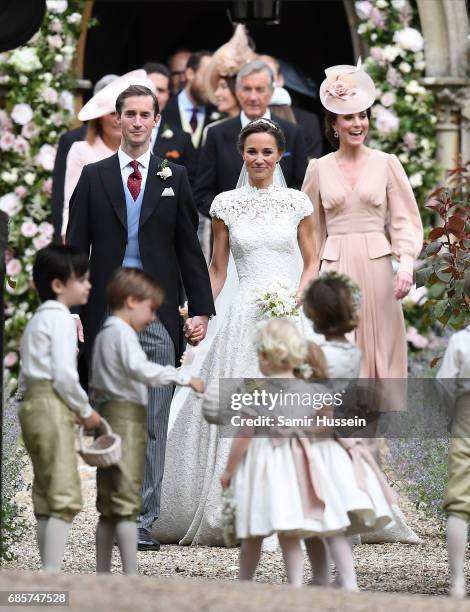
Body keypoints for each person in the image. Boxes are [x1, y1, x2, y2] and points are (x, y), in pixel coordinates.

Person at [152, 118, 315, 545]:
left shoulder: (297, 203)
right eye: (251, 151)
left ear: (280, 156)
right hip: (244, 315)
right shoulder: (225, 204)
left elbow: (313, 260)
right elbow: (218, 268)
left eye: (267, 152)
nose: (259, 159)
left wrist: (296, 299)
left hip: (287, 316)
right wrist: (201, 309)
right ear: (242, 154)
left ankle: (293, 510)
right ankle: (234, 506)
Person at [66, 84, 215, 551]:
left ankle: (142, 519)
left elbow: (189, 249)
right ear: (117, 119)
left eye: (144, 115)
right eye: (127, 114)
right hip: (106, 314)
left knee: (153, 418)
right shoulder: (94, 177)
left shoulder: (177, 176)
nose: (135, 122)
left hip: (158, 313)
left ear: (155, 121)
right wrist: (71, 310)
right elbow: (74, 252)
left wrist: (202, 309)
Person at [302, 62, 423, 379]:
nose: (357, 123)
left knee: (379, 350)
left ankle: (374, 428)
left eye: (362, 115)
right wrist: (308, 277)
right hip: (334, 268)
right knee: (336, 352)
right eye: (348, 117)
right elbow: (310, 232)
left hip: (377, 269)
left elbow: (404, 219)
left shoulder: (387, 164)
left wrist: (407, 263)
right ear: (334, 124)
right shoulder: (318, 168)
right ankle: (341, 426)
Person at [91, 267, 205, 573]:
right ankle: (129, 570)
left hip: (112, 420)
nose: (154, 318)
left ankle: (103, 569)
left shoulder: (106, 333)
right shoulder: (121, 334)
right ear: (131, 302)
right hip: (126, 421)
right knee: (126, 500)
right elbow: (141, 369)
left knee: (109, 507)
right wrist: (180, 377)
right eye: (150, 310)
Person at [301, 272, 396, 589]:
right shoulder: (353, 354)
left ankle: (326, 576)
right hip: (344, 440)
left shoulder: (316, 356)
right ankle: (342, 577)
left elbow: (315, 399)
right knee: (334, 516)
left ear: (314, 316)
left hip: (320, 441)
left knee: (316, 515)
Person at [220, 319, 330, 586]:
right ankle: (295, 585)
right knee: (290, 532)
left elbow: (244, 434)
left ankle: (244, 581)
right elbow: (326, 421)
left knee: (253, 533)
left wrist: (229, 469)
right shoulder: (309, 388)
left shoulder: (255, 389)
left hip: (262, 466)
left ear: (265, 355)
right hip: (294, 466)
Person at [18, 244, 101, 573]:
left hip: (31, 406)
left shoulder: (36, 320)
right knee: (64, 489)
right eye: (81, 279)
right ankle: (50, 571)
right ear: (58, 285)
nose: (88, 285)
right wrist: (86, 409)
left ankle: (46, 566)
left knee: (44, 488)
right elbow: (65, 375)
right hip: (52, 404)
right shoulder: (63, 322)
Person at [194, 60, 308, 219]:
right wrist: (231, 219)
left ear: (271, 92)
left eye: (259, 90)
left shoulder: (292, 132)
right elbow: (202, 193)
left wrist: (279, 217)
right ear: (238, 92)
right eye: (247, 89)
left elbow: (302, 185)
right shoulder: (217, 134)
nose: (253, 97)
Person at [61, 71, 153, 238]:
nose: (118, 121)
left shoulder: (145, 150)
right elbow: (71, 204)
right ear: (99, 118)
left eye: (126, 114)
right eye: (112, 114)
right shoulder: (81, 150)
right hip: (94, 239)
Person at [51, 73, 119, 239]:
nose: (118, 119)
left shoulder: (141, 149)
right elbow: (67, 200)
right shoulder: (78, 147)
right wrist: (65, 236)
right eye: (112, 112)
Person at [436, 270, 470, 598]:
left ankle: (458, 579)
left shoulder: (460, 342)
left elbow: (444, 384)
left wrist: (451, 414)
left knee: (459, 502)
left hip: (465, 424)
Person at [259, 54, 323, 160]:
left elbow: (312, 168)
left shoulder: (308, 121)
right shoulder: (240, 120)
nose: (264, 83)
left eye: (269, 76)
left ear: (280, 80)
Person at [143, 62, 197, 184]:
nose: (155, 95)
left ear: (169, 95)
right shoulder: (119, 131)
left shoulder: (182, 139)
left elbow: (191, 186)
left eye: (161, 90)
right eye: (149, 89)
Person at [161, 51, 217, 152]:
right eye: (207, 76)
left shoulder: (219, 114)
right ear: (190, 74)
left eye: (214, 79)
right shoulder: (163, 110)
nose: (211, 85)